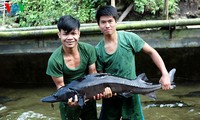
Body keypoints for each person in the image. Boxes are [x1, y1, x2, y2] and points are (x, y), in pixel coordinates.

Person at [95, 5, 171, 120]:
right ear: (98, 25)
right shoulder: (98, 50)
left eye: (110, 21)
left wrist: (165, 74)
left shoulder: (129, 38)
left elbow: (152, 52)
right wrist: (104, 91)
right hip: (111, 98)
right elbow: (100, 78)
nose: (107, 25)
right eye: (103, 22)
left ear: (116, 22)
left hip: (132, 93)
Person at [46, 15, 98, 120]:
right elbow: (60, 86)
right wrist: (71, 101)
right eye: (65, 34)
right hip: (68, 101)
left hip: (88, 96)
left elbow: (93, 75)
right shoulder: (54, 60)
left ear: (79, 34)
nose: (70, 38)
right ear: (59, 35)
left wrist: (96, 93)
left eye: (73, 33)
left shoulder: (88, 50)